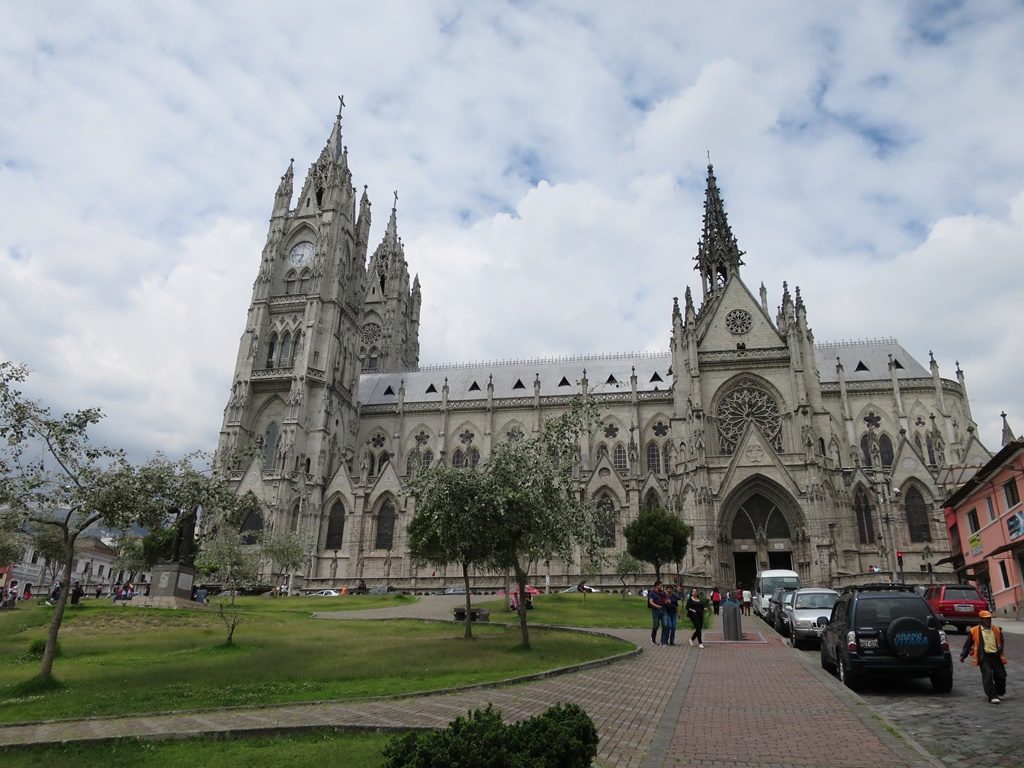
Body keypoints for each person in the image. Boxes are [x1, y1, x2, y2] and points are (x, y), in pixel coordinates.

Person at [960, 610, 1008, 704]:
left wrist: (1000, 648)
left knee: (1001, 676)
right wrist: (963, 655)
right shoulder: (974, 631)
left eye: (989, 619)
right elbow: (968, 644)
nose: (988, 621)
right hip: (984, 657)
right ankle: (992, 696)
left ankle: (999, 690)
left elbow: (1001, 641)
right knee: (987, 676)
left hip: (996, 656)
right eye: (986, 619)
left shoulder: (996, 629)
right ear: (981, 620)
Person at [648, 580, 665, 645]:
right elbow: (651, 602)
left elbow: (665, 599)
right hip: (655, 611)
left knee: (665, 625)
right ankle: (653, 638)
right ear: (657, 585)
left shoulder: (663, 592)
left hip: (663, 611)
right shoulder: (652, 593)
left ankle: (663, 641)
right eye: (661, 585)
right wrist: (656, 606)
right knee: (656, 625)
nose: (661, 586)